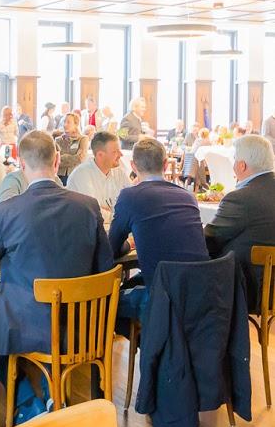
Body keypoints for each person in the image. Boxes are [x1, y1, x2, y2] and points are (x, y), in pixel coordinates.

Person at [0, 131, 114, 423]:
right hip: (81, 324)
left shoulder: (7, 211)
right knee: (48, 318)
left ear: (21, 164)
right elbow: (106, 268)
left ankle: (25, 399)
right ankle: (52, 393)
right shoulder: (88, 206)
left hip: (27, 325)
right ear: (57, 161)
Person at [107, 137, 208, 329]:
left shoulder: (130, 196)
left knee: (107, 302)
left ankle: (152, 347)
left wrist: (129, 244)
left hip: (162, 296)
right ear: (165, 164)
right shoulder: (188, 196)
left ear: (133, 166)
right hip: (200, 292)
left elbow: (110, 249)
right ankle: (158, 346)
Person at [203, 134, 275, 310]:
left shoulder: (240, 198)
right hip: (271, 290)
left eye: (234, 160)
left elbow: (208, 242)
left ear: (242, 165)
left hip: (246, 289)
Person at [66, 130, 131, 215]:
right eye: (115, 152)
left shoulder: (118, 171)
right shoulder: (81, 174)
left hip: (113, 226)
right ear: (100, 155)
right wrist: (115, 215)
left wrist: (108, 212)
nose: (121, 155)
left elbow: (131, 203)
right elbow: (94, 213)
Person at [53, 113, 87, 184]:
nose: (65, 124)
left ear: (76, 124)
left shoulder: (82, 139)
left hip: (75, 176)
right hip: (59, 176)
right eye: (64, 122)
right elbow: (55, 159)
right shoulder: (57, 140)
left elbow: (80, 159)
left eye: (68, 122)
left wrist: (62, 157)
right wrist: (72, 157)